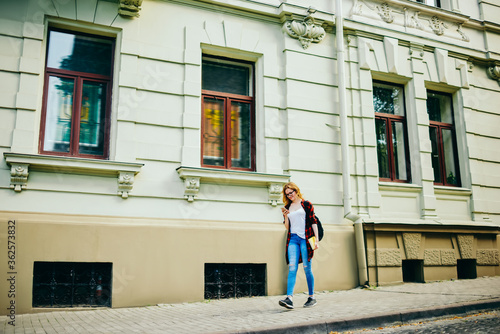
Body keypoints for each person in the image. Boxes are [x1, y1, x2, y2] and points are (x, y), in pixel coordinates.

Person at [279, 182, 319, 309]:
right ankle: (289, 298)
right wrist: (285, 216)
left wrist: (316, 240)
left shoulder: (306, 204)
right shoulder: (287, 207)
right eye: (287, 194)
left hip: (306, 239)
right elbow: (287, 227)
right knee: (292, 268)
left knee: (307, 268)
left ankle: (311, 297)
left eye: (291, 192)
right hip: (293, 239)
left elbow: (313, 222)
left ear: (296, 191)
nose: (290, 195)